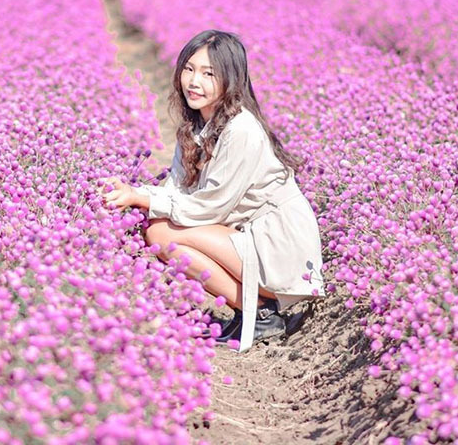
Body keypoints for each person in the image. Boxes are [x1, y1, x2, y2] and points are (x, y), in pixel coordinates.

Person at [103, 30, 324, 353]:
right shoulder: (194, 126)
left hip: (278, 245)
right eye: (189, 69)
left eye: (209, 74)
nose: (194, 81)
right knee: (159, 228)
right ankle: (250, 309)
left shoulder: (242, 129)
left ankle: (260, 312)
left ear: (231, 80)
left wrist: (143, 197)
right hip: (246, 238)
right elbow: (176, 189)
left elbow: (210, 208)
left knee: (163, 234)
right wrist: (134, 195)